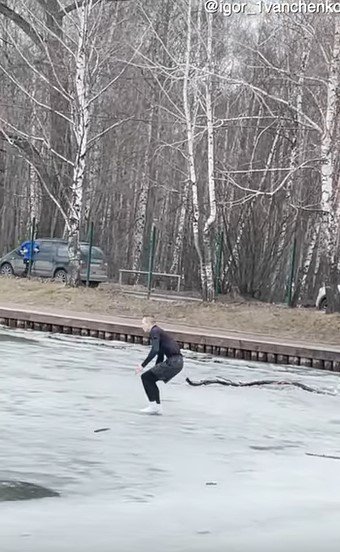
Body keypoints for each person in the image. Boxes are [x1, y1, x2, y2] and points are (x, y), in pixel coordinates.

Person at [136, 316, 183, 415]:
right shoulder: (159, 332)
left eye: (143, 323)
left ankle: (154, 406)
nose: (141, 326)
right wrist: (155, 369)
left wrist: (142, 365)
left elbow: (155, 350)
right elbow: (160, 355)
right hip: (177, 362)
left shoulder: (154, 331)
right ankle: (157, 407)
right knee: (149, 378)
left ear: (149, 324)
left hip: (174, 362)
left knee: (146, 377)